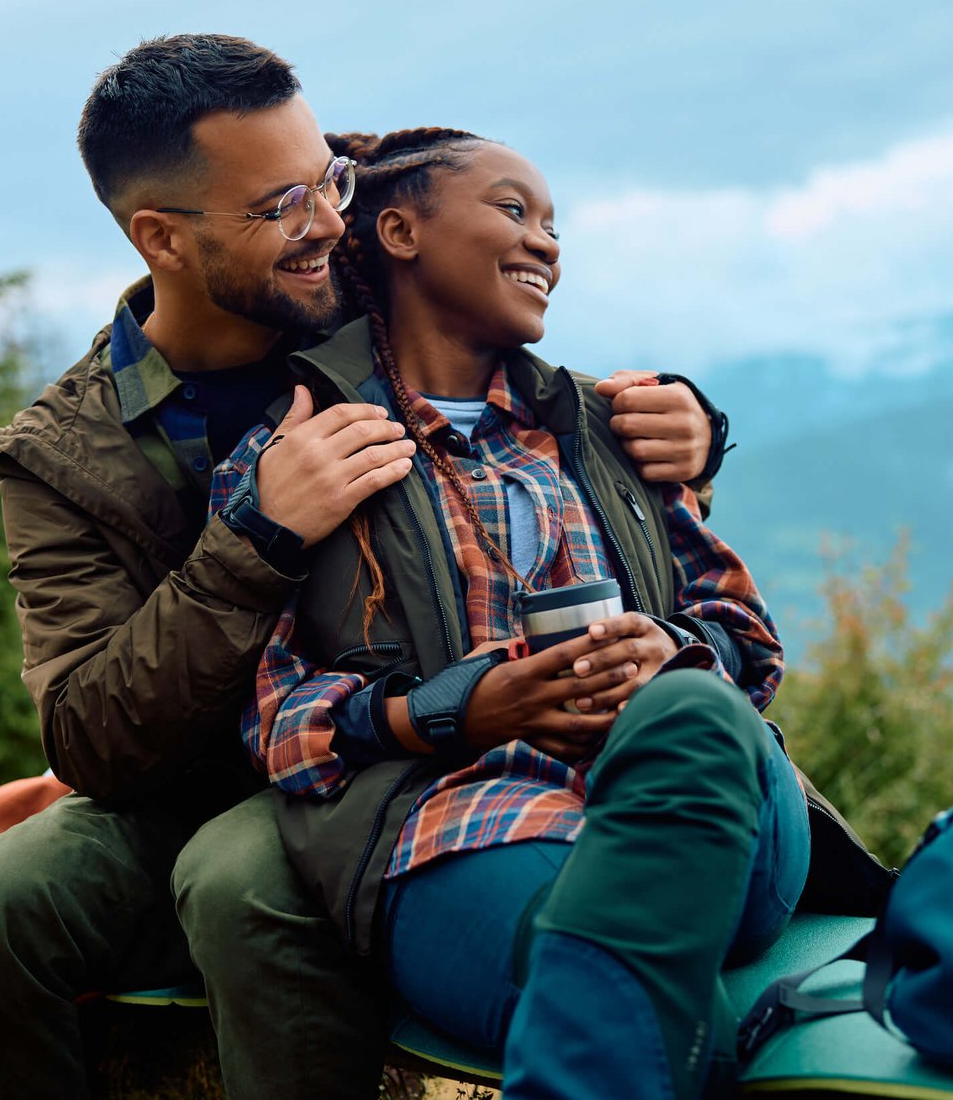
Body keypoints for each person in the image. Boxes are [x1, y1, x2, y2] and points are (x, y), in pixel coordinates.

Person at [0, 37, 731, 1099]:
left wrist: (687, 427)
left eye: (329, 182)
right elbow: (89, 737)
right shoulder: (65, 455)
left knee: (239, 884)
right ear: (159, 236)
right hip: (194, 781)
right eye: (280, 205)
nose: (326, 222)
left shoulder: (353, 270)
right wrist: (256, 542)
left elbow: (508, 367)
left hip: (396, 749)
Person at [228, 126, 889, 1099]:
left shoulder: (604, 427)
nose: (546, 243)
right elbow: (272, 715)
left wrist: (668, 647)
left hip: (709, 806)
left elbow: (745, 641)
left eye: (552, 224)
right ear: (399, 230)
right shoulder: (299, 451)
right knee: (674, 1027)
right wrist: (460, 707)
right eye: (511, 209)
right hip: (465, 827)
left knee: (695, 709)